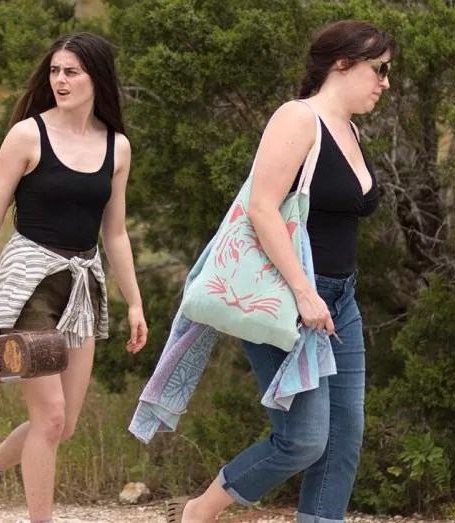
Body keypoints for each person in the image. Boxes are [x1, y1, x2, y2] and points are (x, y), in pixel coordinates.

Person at [165, 20, 398, 523]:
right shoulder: (297, 118)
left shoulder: (350, 130)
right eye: (379, 70)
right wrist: (304, 292)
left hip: (340, 301)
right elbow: (262, 208)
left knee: (343, 437)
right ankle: (199, 512)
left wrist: (325, 297)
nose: (385, 83)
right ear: (343, 64)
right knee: (303, 440)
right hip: (288, 298)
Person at [0, 32, 149, 523]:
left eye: (71, 72)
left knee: (63, 424)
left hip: (82, 285)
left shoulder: (117, 147)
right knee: (49, 416)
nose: (60, 80)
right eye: (55, 71)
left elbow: (115, 233)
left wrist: (135, 303)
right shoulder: (27, 136)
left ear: (96, 78)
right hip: (27, 282)